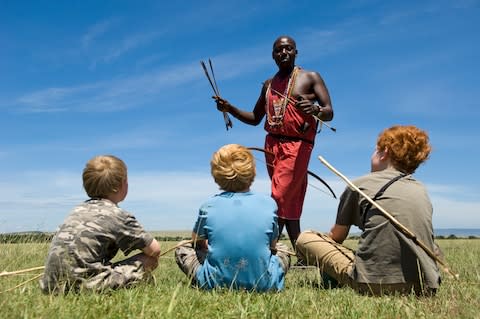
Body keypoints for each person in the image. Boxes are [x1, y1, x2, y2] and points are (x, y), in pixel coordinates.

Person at [215, 35, 334, 249]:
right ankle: (301, 253)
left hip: (298, 145)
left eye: (288, 48)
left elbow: (329, 112)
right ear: (273, 55)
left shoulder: (310, 77)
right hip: (271, 145)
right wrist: (229, 108)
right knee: (290, 199)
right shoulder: (269, 85)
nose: (284, 53)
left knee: (279, 197)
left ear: (296, 52)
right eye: (279, 50)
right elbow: (255, 118)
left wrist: (315, 109)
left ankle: (267, 249)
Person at [295, 125, 441, 296]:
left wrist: (324, 251)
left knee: (305, 238)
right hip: (424, 286)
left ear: (384, 152)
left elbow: (337, 237)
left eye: (375, 150)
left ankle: (334, 279)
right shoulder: (421, 189)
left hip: (371, 284)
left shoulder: (361, 184)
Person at [175, 144, 290, 291]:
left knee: (182, 247)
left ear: (215, 175)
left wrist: (209, 245)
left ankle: (206, 279)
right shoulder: (269, 203)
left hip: (213, 284)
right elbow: (273, 246)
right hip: (266, 284)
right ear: (253, 171)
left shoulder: (208, 206)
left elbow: (196, 241)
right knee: (283, 249)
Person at [40, 155, 161, 294]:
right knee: (149, 260)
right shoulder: (119, 216)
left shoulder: (76, 211)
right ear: (120, 185)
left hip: (51, 287)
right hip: (86, 288)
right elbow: (155, 250)